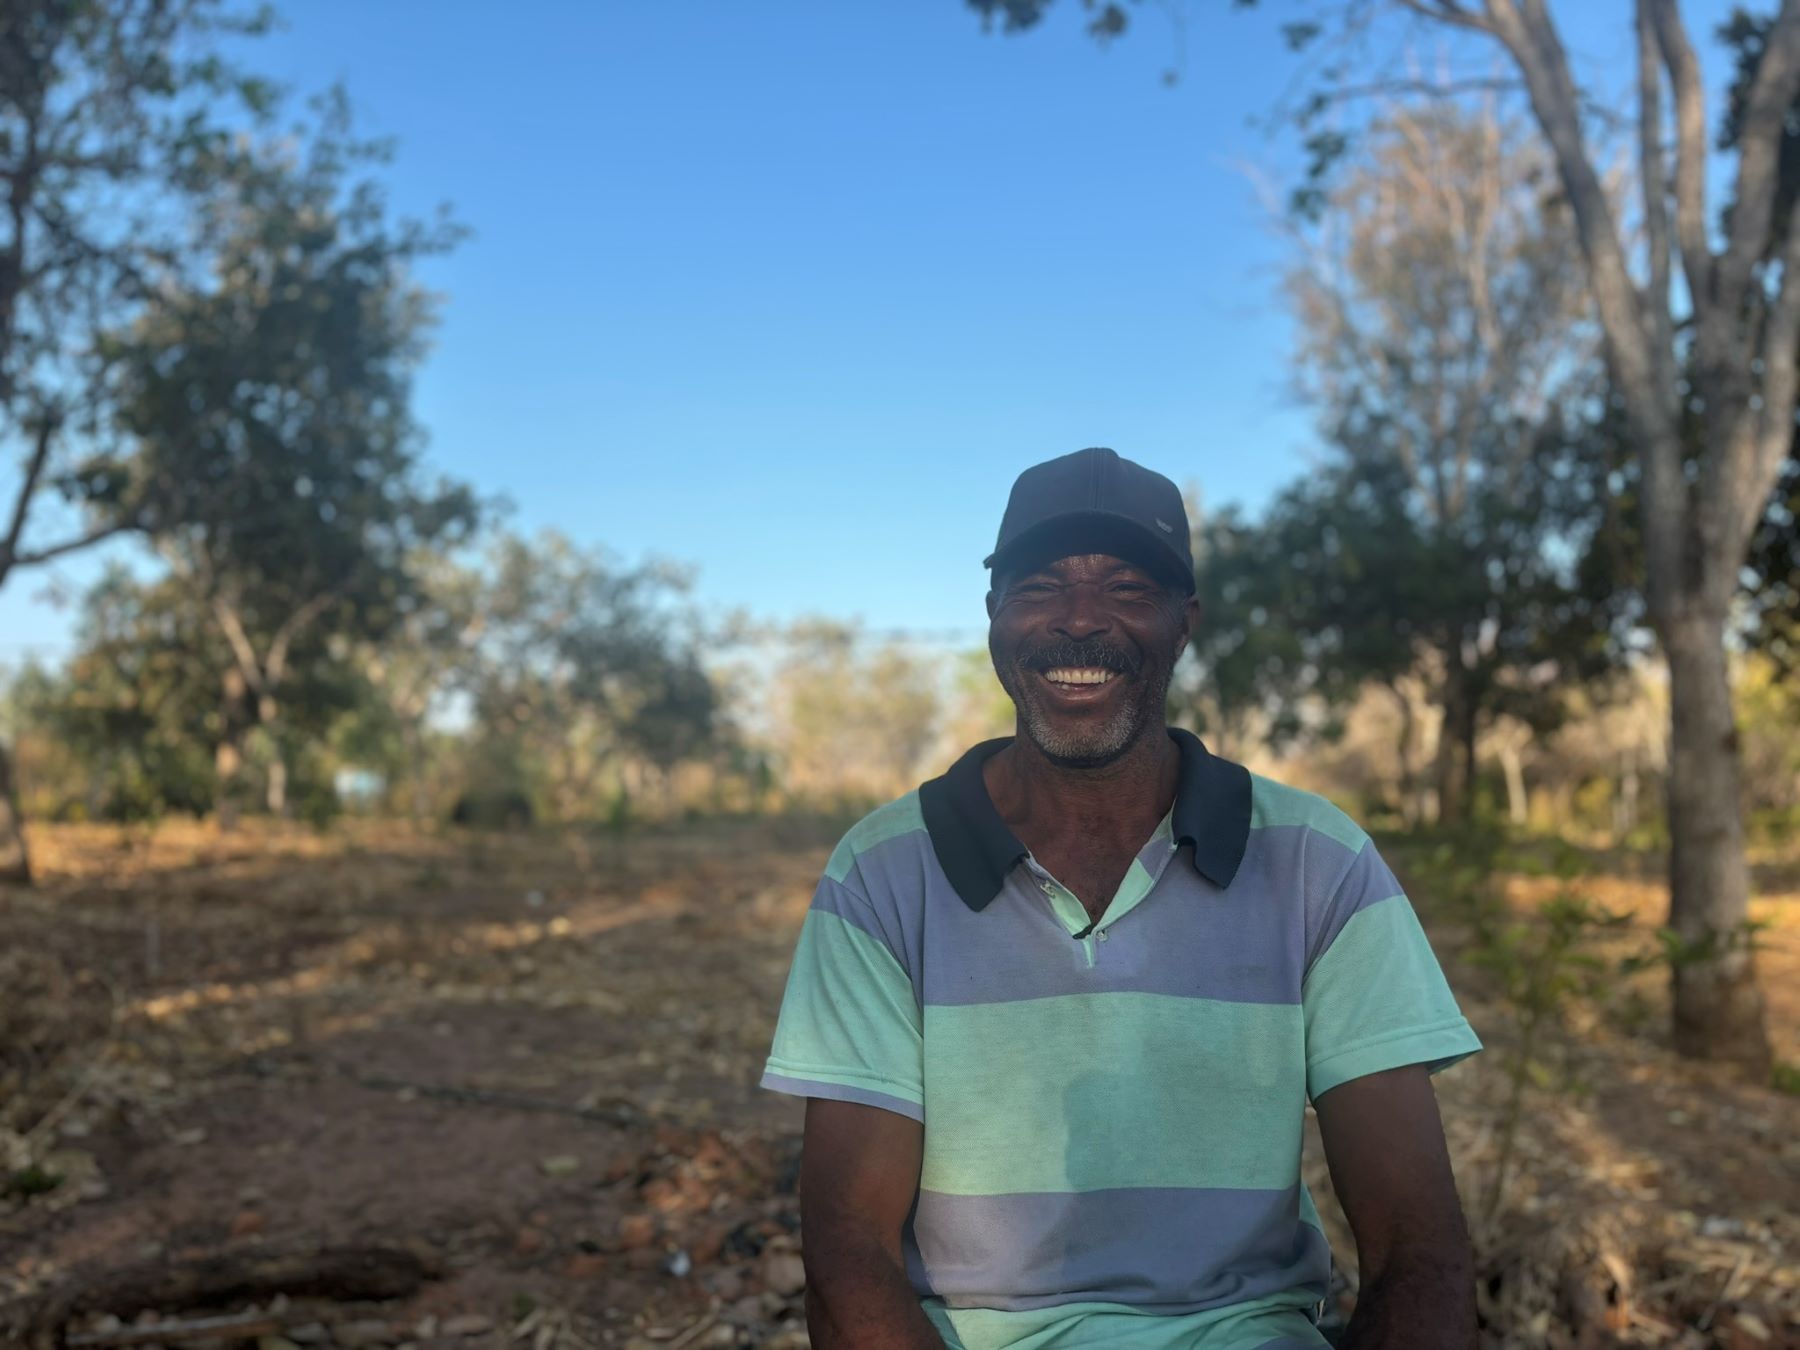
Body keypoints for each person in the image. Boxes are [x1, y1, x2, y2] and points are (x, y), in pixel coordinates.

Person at [761, 448, 1483, 1349]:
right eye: (1039, 586)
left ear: (1184, 623)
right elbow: (846, 1248)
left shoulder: (1317, 863)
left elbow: (1421, 1245)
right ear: (994, 618)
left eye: (1127, 588)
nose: (1079, 620)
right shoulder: (881, 873)